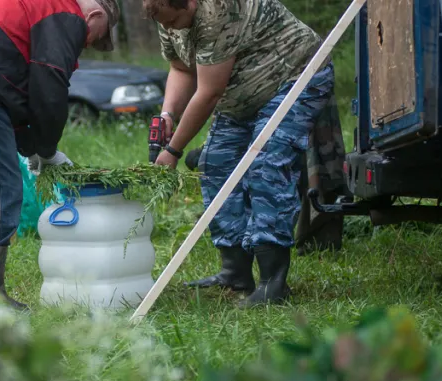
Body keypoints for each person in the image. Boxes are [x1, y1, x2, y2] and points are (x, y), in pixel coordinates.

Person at [0, 0, 120, 310]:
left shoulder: (40, 8)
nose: (87, 44)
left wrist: (31, 148)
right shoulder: (67, 15)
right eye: (95, 37)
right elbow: (49, 86)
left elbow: (16, 86)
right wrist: (47, 150)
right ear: (96, 15)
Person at [144, 0, 337, 307]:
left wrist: (173, 150)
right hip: (240, 93)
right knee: (214, 165)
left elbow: (208, 93)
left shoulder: (215, 11)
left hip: (293, 77)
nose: (169, 28)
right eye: (163, 23)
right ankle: (235, 272)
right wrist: (168, 114)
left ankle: (273, 283)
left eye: (173, 20)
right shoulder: (165, 13)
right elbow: (181, 67)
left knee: (266, 167)